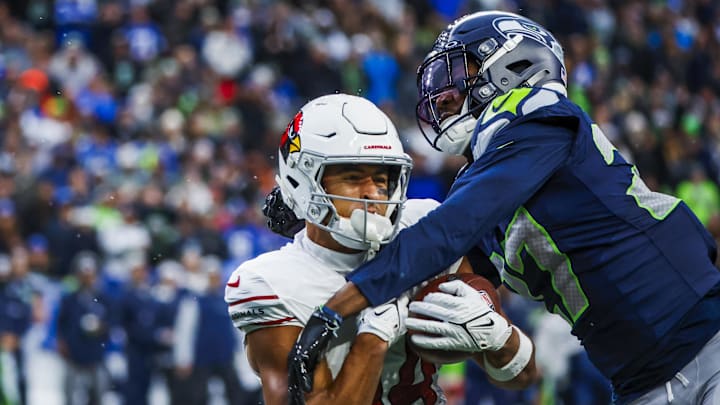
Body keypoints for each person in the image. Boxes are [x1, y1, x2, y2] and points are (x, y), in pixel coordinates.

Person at [287, 11, 720, 405]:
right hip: (639, 380)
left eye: (458, 72)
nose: (442, 96)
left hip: (705, 339)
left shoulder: (538, 122)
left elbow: (445, 232)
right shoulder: (493, 171)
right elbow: (456, 269)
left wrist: (334, 309)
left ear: (514, 65)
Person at [225, 93, 537, 404]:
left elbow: (520, 376)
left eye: (382, 178)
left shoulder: (421, 229)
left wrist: (499, 336)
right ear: (303, 181)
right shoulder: (270, 283)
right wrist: (374, 337)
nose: (373, 194)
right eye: (352, 177)